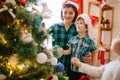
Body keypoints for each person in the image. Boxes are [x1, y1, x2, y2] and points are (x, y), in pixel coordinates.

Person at [47, 0, 93, 77]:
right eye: (65, 12)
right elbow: (42, 35)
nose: (67, 15)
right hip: (56, 63)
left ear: (75, 15)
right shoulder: (54, 27)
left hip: (73, 66)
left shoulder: (78, 28)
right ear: (62, 13)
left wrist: (89, 56)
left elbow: (88, 43)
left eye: (71, 13)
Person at [61, 13, 98, 80]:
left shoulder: (90, 41)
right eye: (77, 23)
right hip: (72, 70)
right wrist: (62, 51)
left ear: (86, 27)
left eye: (81, 23)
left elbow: (95, 55)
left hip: (83, 71)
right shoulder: (72, 39)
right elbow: (69, 51)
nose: (78, 24)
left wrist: (93, 71)